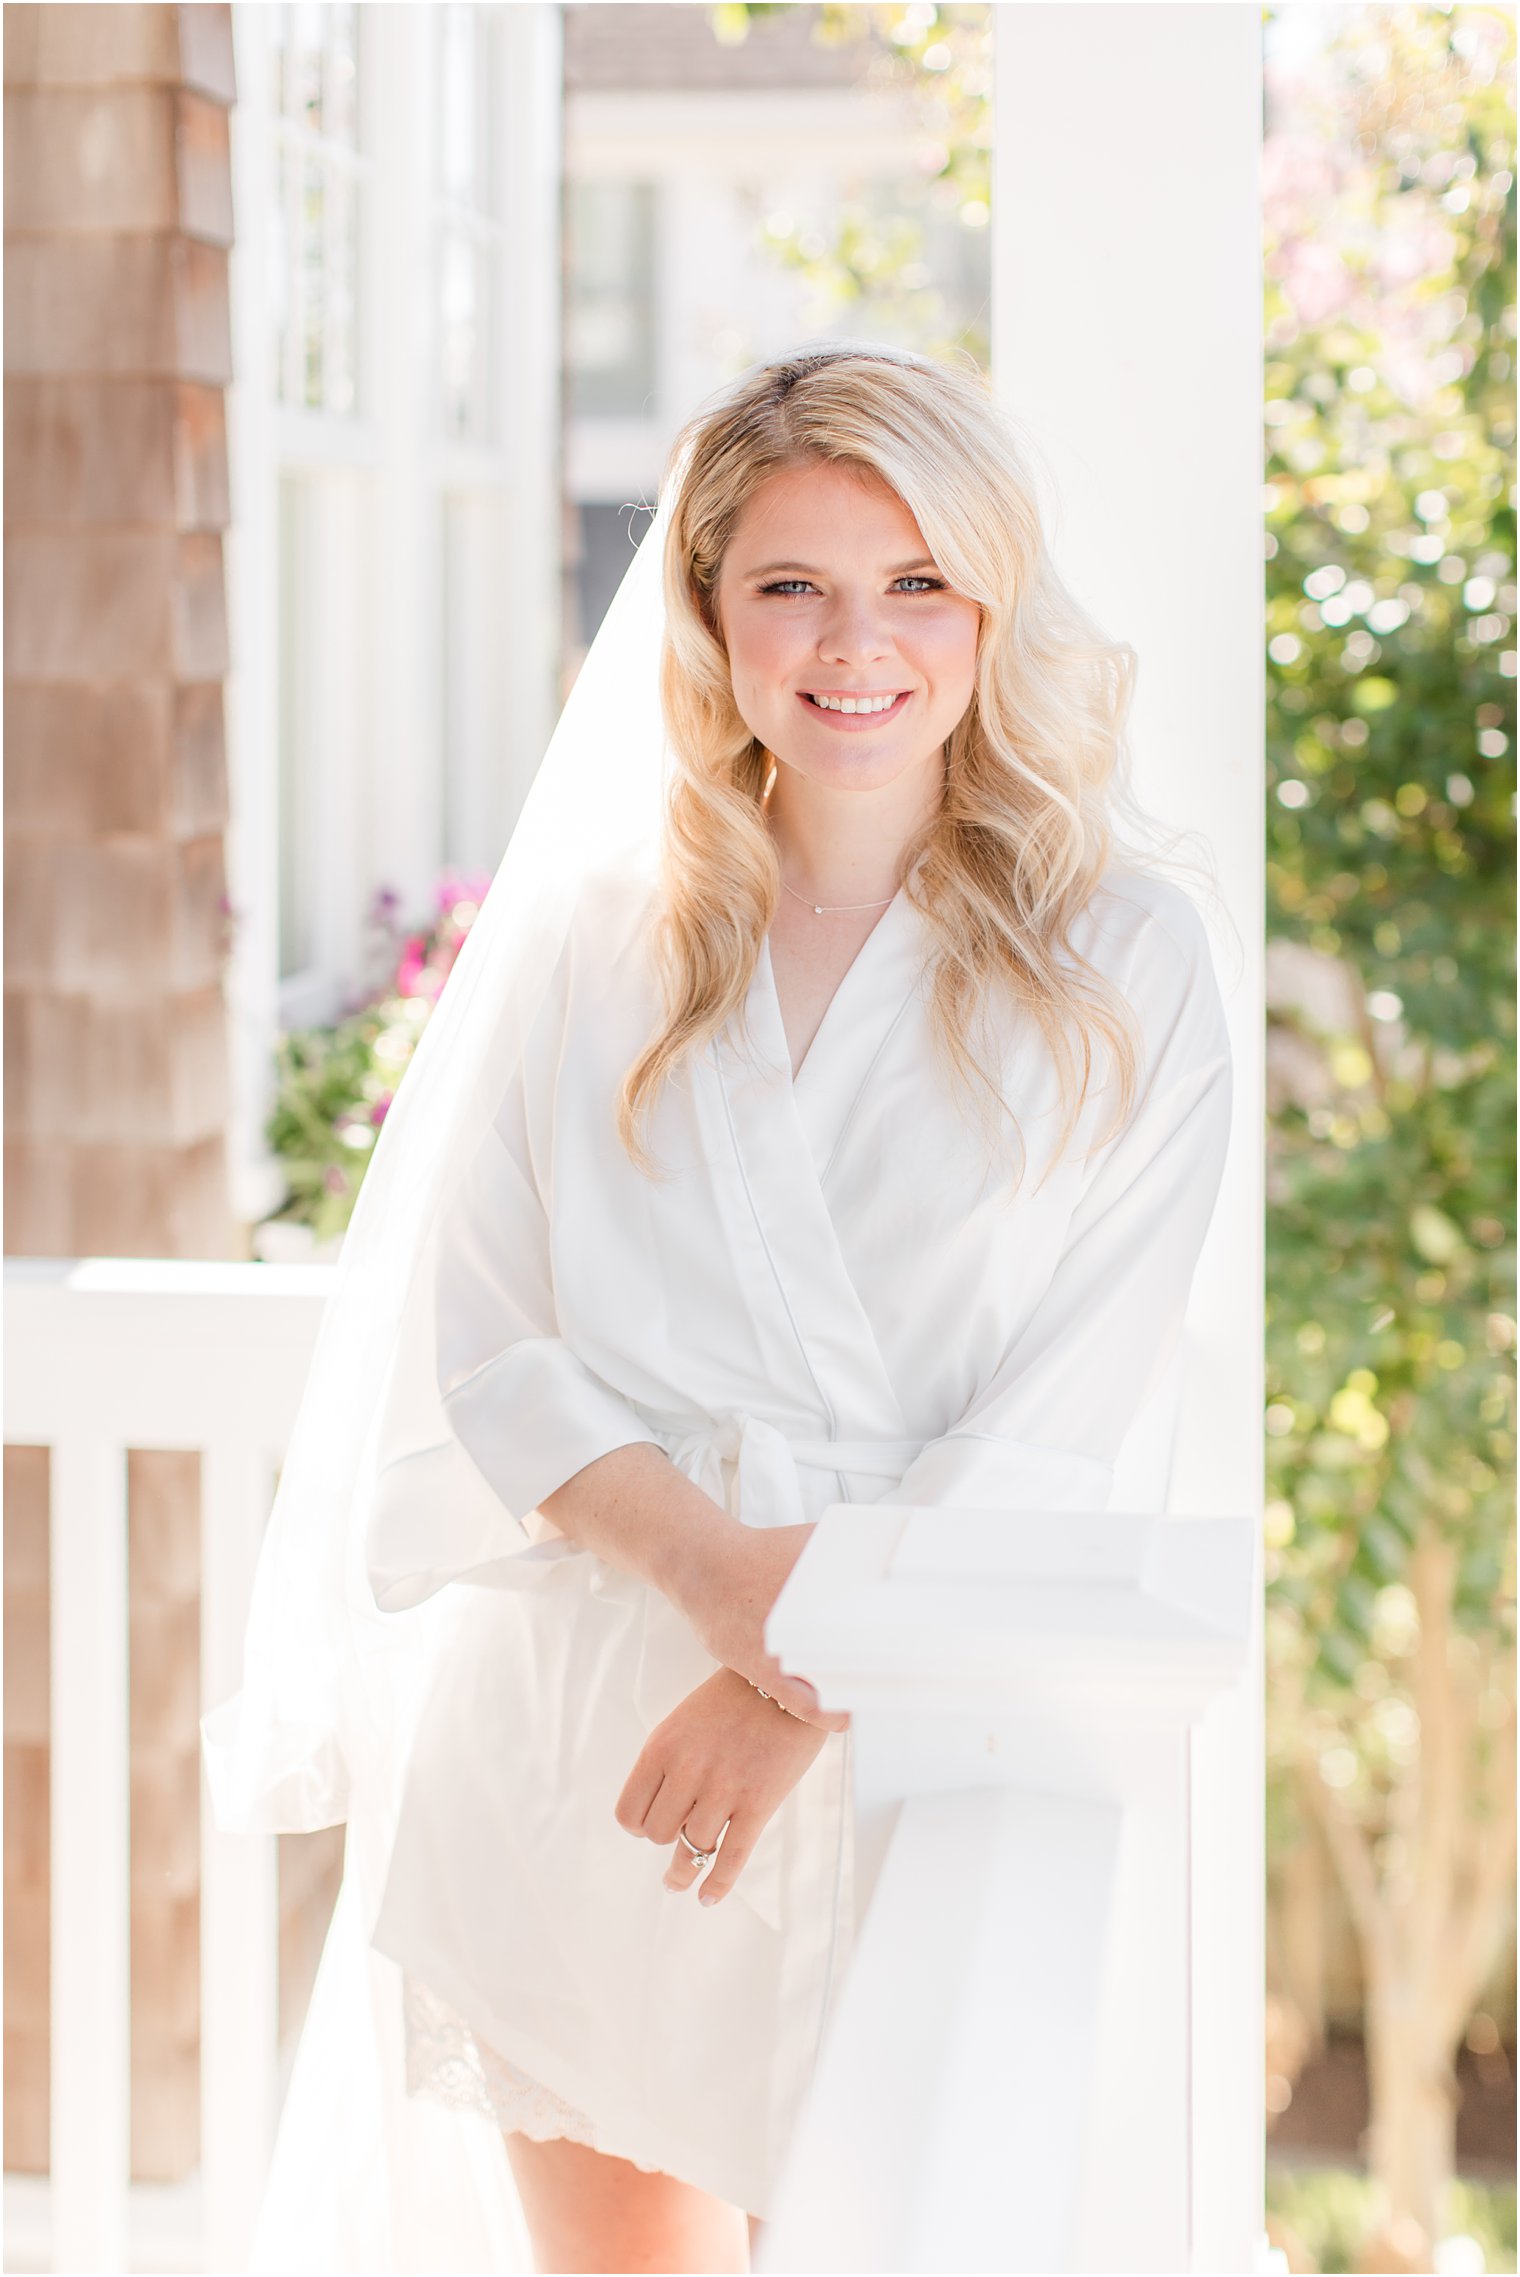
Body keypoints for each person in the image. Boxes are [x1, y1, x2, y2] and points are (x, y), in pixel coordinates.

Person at [205, 342, 1235, 2276]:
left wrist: (797, 1679)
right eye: (792, 585)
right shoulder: (599, 932)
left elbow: (1064, 1405)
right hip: (595, 1724)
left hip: (929, 1728)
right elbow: (495, 1339)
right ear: (707, 616)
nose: (861, 643)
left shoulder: (1125, 960)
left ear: (994, 600)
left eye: (916, 579)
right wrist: (722, 1589)